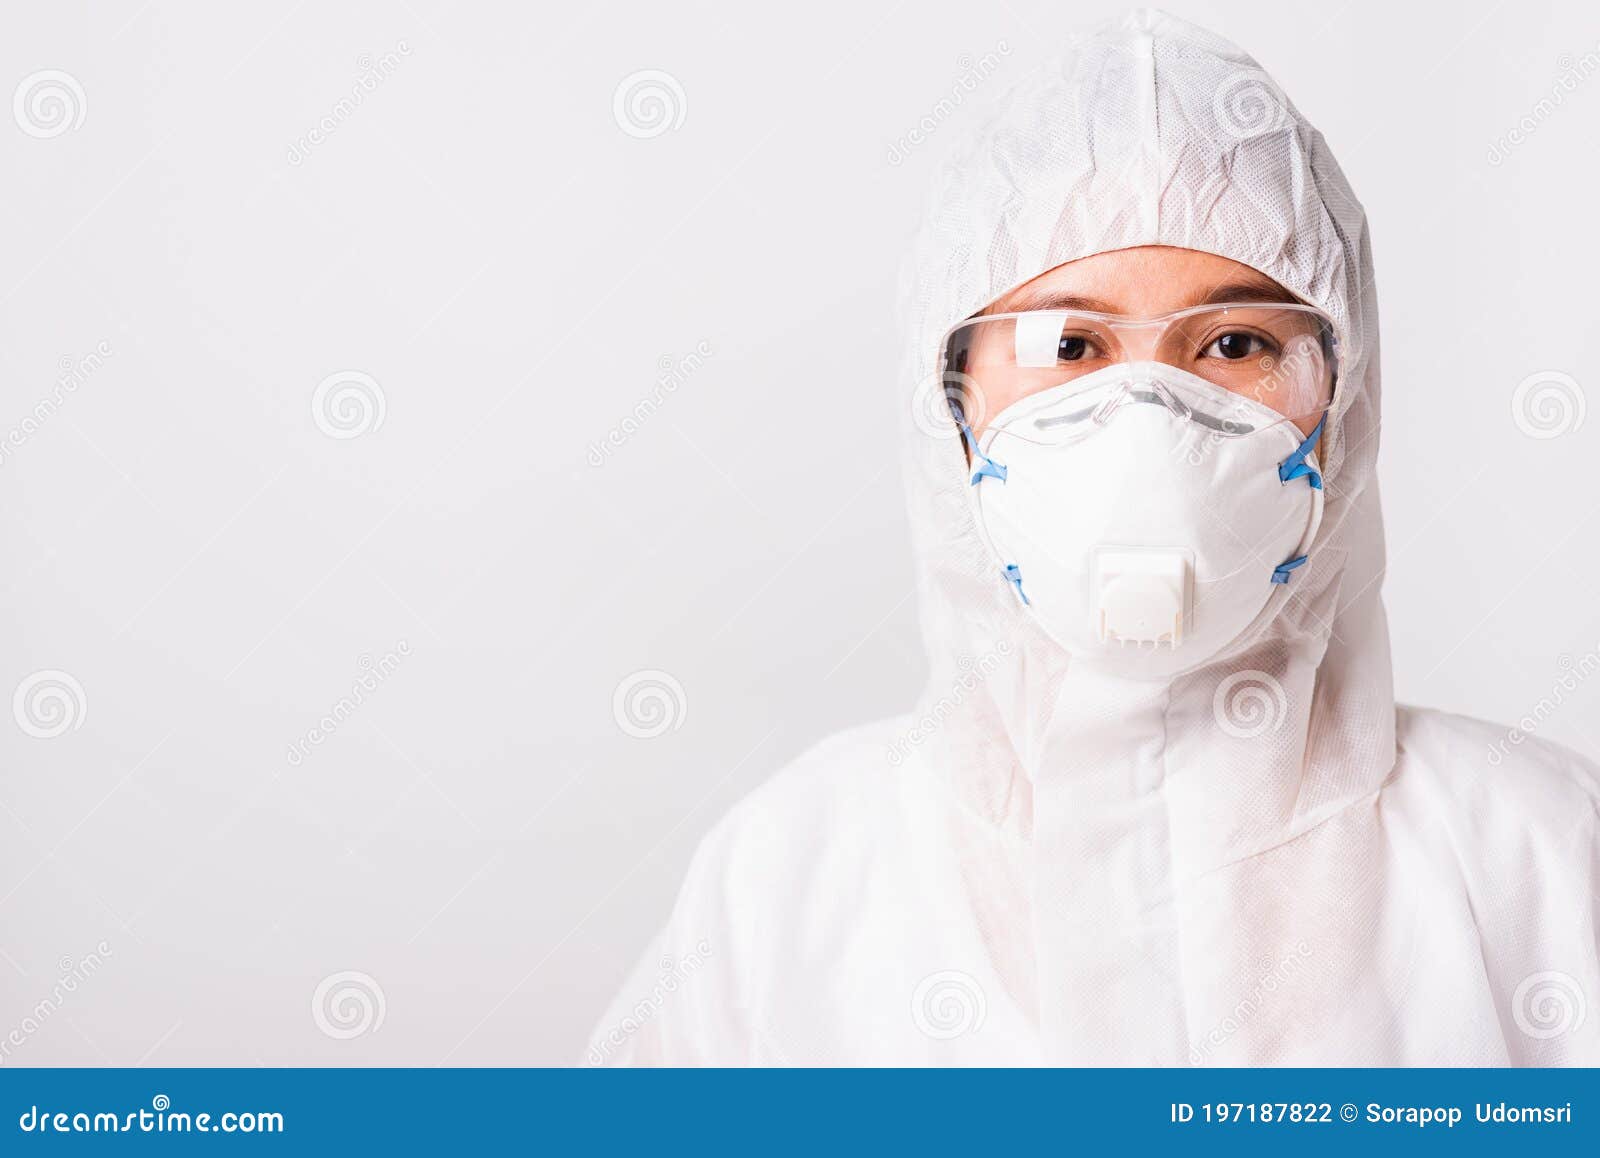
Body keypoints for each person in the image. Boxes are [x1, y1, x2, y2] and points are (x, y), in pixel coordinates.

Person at [590, 9, 1600, 1065]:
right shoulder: (789, 880)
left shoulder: (1539, 853)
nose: (1147, 415)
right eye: (1068, 343)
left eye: (1235, 341)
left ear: (1341, 399)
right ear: (951, 403)